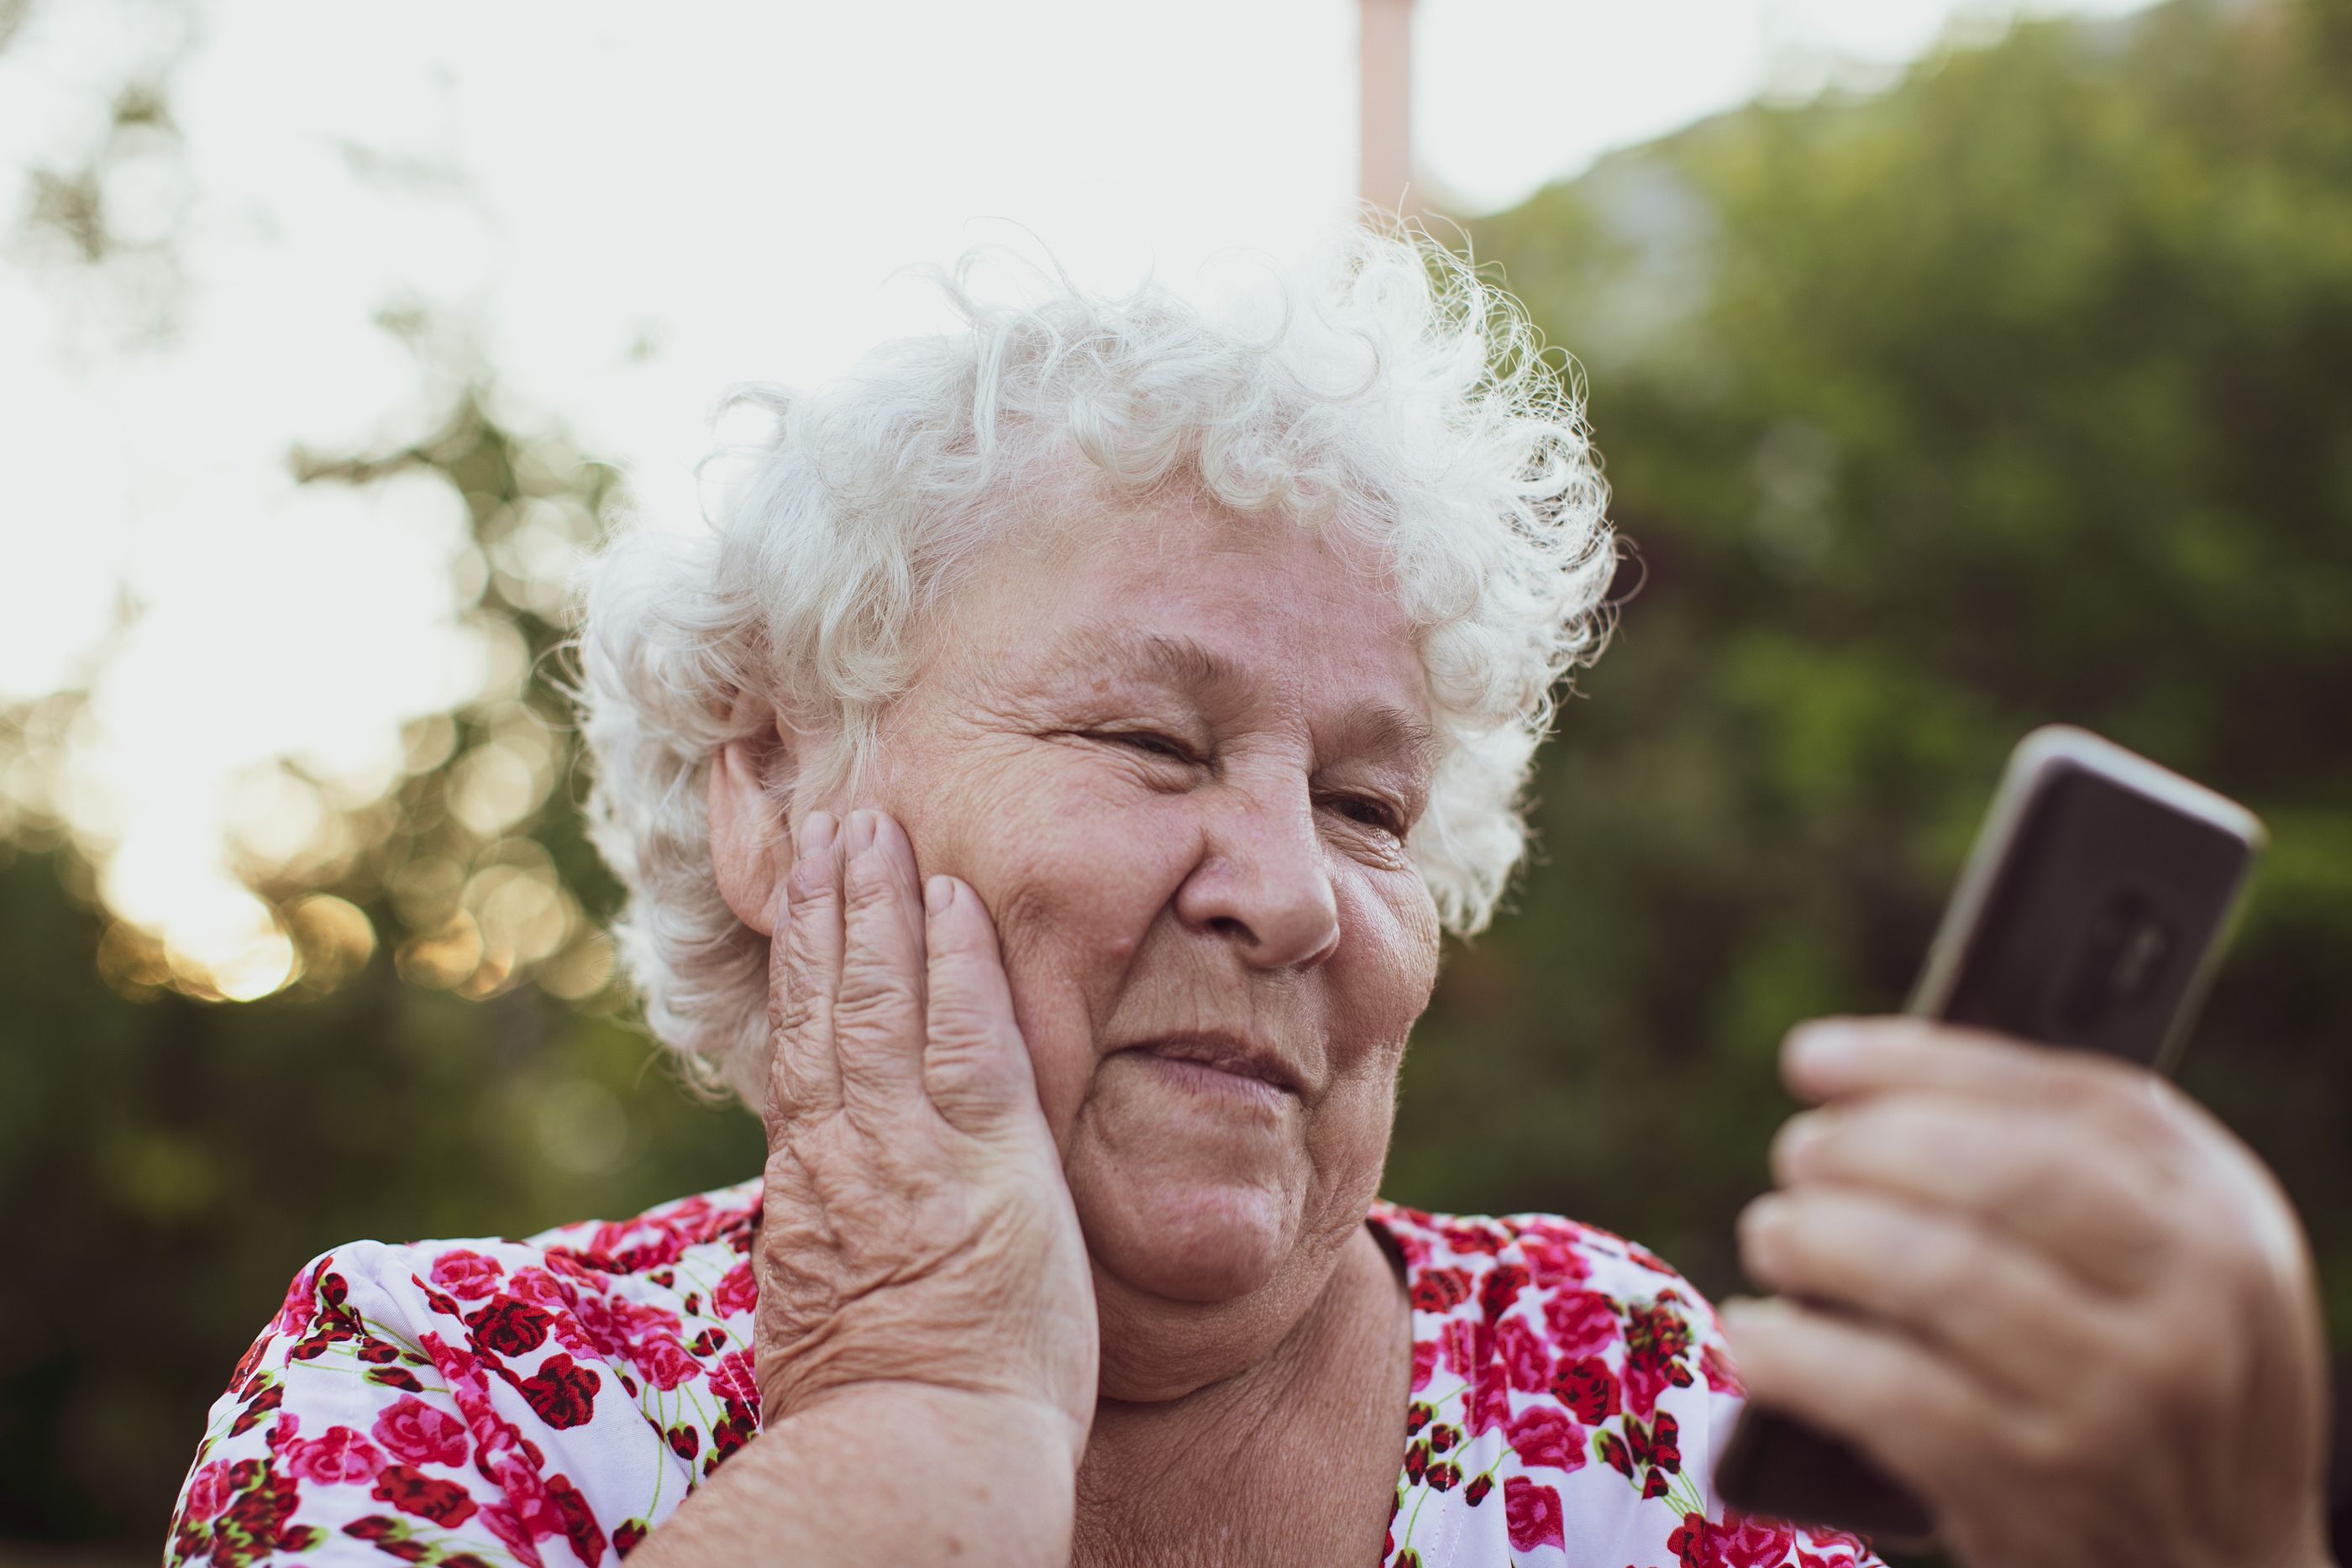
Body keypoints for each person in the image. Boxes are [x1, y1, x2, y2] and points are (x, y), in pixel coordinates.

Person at [165, 228, 2337, 1568]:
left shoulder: (1629, 1409)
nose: (1295, 890)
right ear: (767, 781)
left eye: (1375, 800)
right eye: (1155, 742)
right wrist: (924, 1408)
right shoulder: (434, 1396)